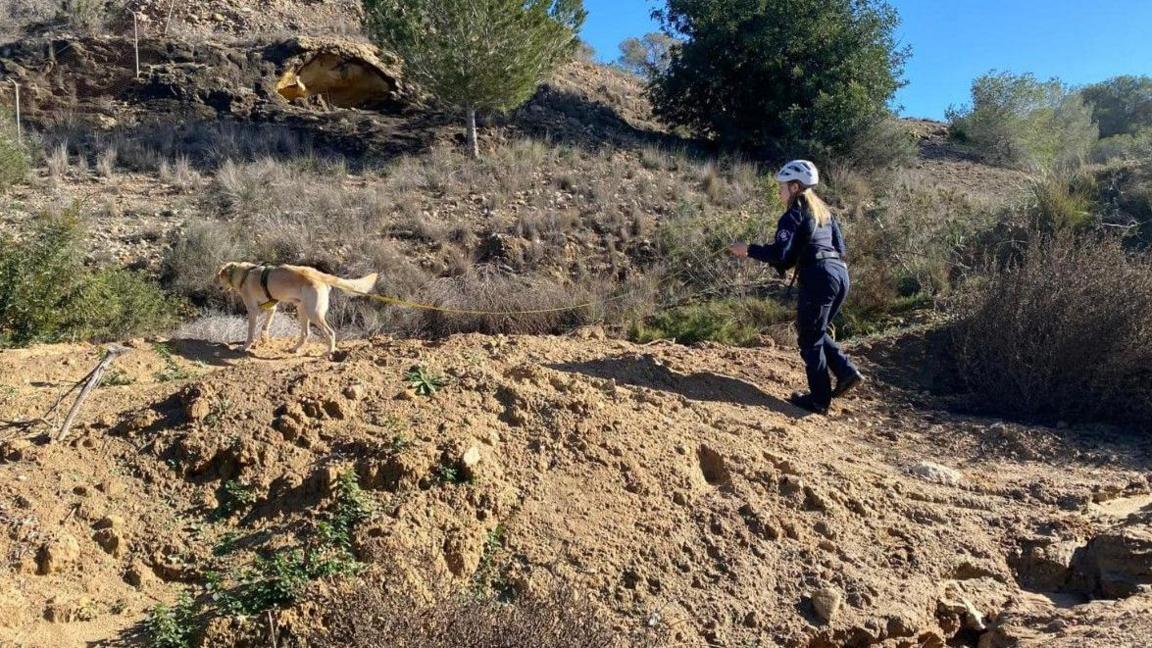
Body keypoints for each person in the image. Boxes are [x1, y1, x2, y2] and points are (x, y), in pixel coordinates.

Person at [729, 160, 865, 415]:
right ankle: (846, 372)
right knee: (815, 330)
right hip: (839, 275)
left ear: (794, 187)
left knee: (809, 338)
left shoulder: (793, 213)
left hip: (819, 276)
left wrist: (747, 250)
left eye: (782, 187)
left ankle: (819, 400)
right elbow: (839, 249)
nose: (779, 191)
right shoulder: (824, 212)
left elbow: (781, 253)